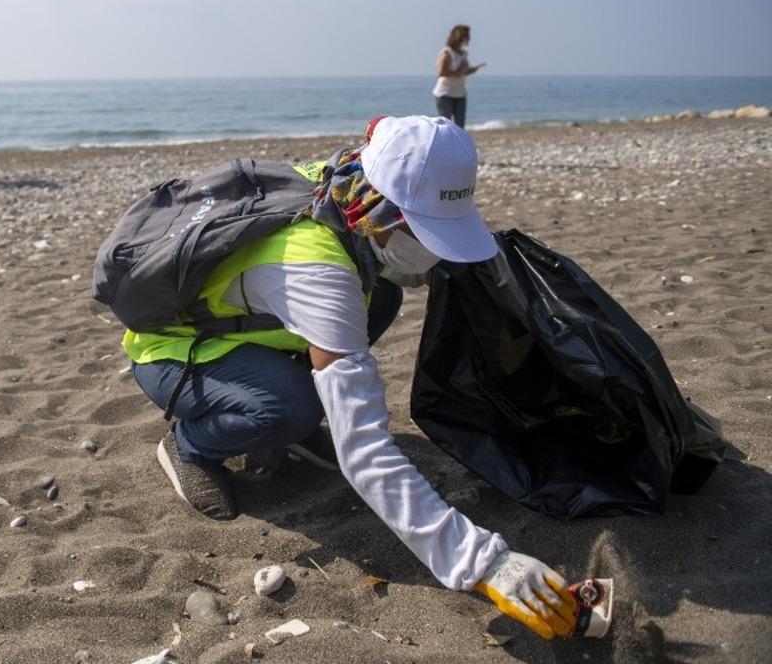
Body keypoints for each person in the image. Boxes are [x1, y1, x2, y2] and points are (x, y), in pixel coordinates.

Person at [123, 115, 577, 640]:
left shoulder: (342, 182)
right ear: (385, 215)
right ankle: (189, 445)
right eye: (425, 231)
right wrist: (484, 563)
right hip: (170, 353)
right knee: (291, 408)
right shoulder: (319, 271)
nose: (433, 250)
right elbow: (364, 453)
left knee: (381, 292)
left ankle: (279, 403)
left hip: (238, 325)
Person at [432, 24, 484, 128]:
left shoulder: (463, 53)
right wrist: (458, 72)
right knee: (445, 126)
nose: (467, 39)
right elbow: (441, 73)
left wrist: (470, 70)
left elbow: (462, 72)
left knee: (460, 127)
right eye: (464, 37)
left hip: (460, 93)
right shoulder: (447, 52)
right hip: (445, 94)